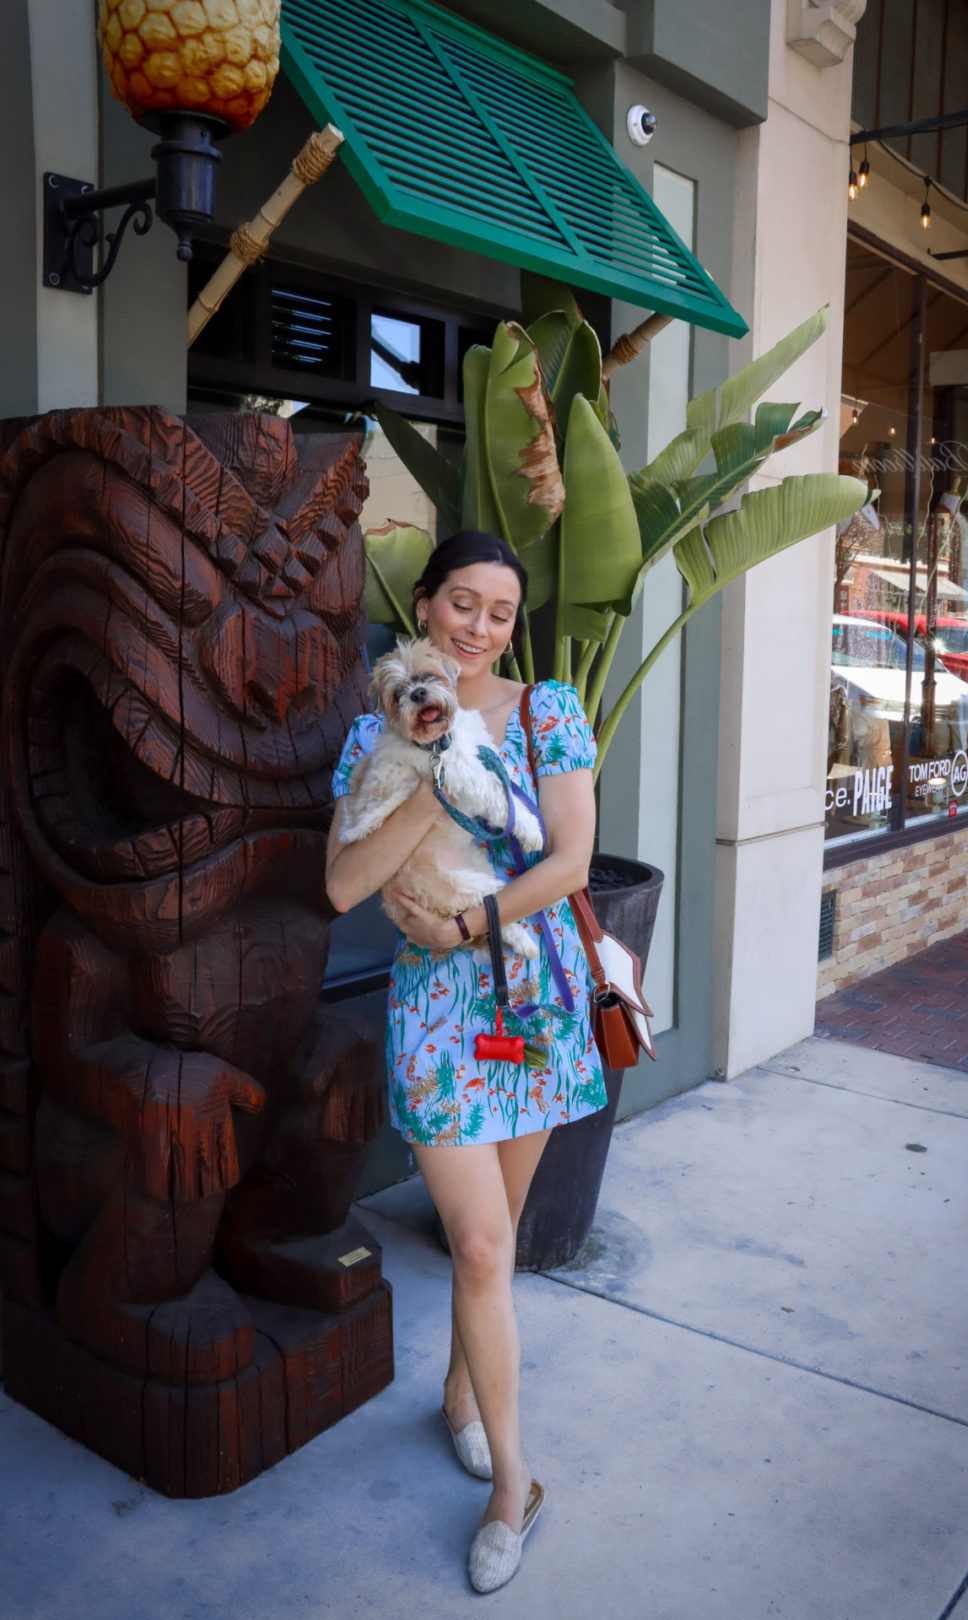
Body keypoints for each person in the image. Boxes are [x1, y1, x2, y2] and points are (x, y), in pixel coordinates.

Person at [325, 530, 607, 1594]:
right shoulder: (377, 728)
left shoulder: (548, 713)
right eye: (460, 604)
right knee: (482, 1252)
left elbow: (572, 858)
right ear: (426, 603)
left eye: (498, 612)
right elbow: (344, 885)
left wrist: (473, 921)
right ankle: (513, 1489)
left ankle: (458, 1395)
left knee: (496, 1245)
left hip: (532, 1000)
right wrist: (435, 791)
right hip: (437, 1017)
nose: (478, 628)